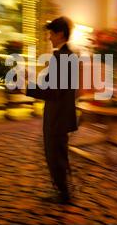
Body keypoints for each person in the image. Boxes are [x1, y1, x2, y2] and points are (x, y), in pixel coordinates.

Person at [26, 16, 78, 204]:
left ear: (60, 34)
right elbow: (52, 84)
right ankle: (64, 190)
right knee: (58, 153)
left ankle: (64, 194)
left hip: (57, 115)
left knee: (54, 154)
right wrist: (31, 79)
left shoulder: (62, 58)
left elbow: (53, 92)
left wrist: (26, 89)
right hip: (61, 114)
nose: (49, 37)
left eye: (51, 33)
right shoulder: (67, 56)